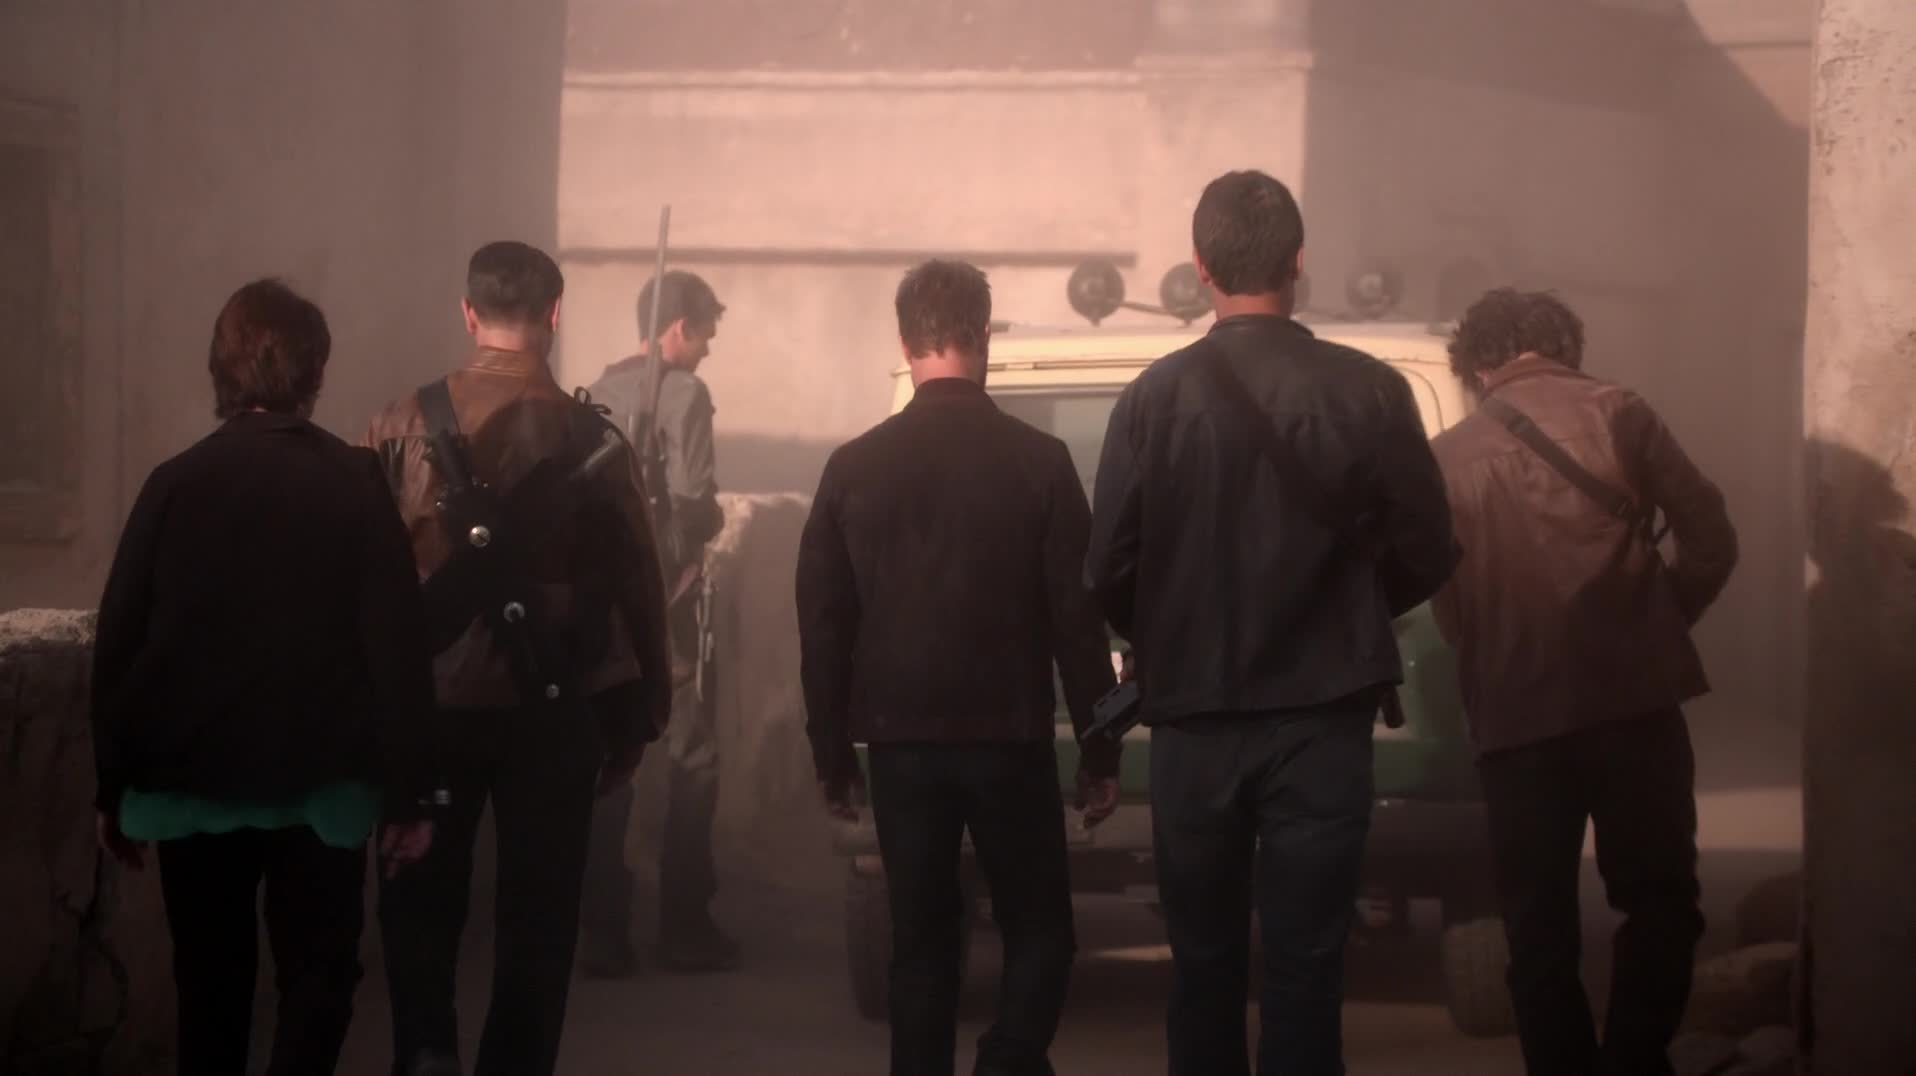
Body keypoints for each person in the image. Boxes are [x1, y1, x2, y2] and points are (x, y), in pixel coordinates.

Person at [1085, 170, 1458, 1076]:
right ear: (1298, 263)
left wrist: (1167, 629)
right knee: (1307, 966)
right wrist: (1349, 605)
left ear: (1201, 268)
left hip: (1194, 725)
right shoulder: (1372, 392)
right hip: (1324, 723)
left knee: (1203, 966)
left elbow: (1107, 571)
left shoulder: (1153, 399)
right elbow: (1430, 549)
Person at [90, 279, 438, 1076]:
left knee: (210, 985)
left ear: (221, 368)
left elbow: (120, 641)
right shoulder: (353, 482)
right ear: (315, 371)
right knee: (320, 976)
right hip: (323, 785)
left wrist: (114, 785)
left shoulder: (174, 483)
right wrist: (411, 794)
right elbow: (396, 647)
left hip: (194, 783)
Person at [797, 259, 1122, 1076]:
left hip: (901, 746)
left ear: (905, 341)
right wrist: (1100, 749)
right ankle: (1008, 1059)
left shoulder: (853, 467)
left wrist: (832, 756)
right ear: (983, 336)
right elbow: (1078, 627)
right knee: (1040, 929)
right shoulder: (1042, 462)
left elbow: (824, 628)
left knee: (922, 942)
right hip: (1010, 740)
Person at [364, 241, 673, 1076]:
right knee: (539, 927)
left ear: (469, 314)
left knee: (419, 909)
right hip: (555, 708)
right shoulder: (593, 437)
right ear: (555, 314)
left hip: (428, 710)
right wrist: (641, 716)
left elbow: (362, 574)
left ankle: (426, 1055)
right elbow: (640, 583)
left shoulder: (397, 423)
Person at [1429, 288, 1738, 1076]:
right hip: (1635, 704)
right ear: (1565, 346)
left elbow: (1450, 609)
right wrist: (1658, 621)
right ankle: (1633, 1060)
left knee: (1536, 928)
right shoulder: (1620, 413)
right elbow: (1711, 539)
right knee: (1661, 902)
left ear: (1477, 365)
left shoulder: (1447, 457)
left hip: (1516, 721)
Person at [578, 269, 736, 977]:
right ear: (679, 328)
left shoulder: (591, 393)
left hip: (597, 615)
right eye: (704, 336)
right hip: (664, 609)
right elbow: (694, 502)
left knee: (610, 765)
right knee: (693, 761)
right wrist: (708, 522)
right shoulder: (685, 393)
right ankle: (684, 925)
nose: (706, 351)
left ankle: (602, 932)